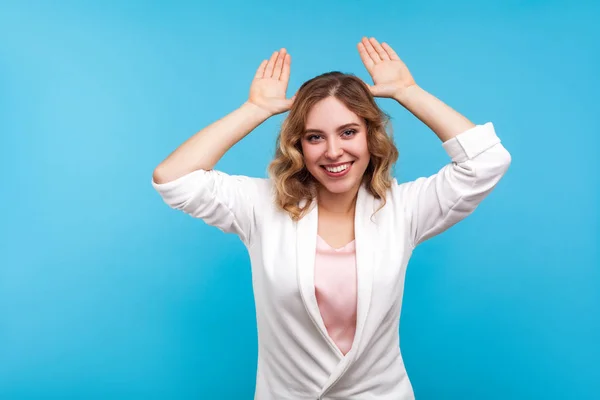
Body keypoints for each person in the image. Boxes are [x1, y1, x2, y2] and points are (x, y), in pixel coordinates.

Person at [151, 37, 511, 400]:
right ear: (299, 146)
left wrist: (408, 91)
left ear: (371, 136)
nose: (333, 151)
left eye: (348, 132)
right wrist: (255, 109)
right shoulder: (262, 206)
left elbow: (486, 162)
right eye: (314, 137)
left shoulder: (403, 208)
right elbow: (173, 178)